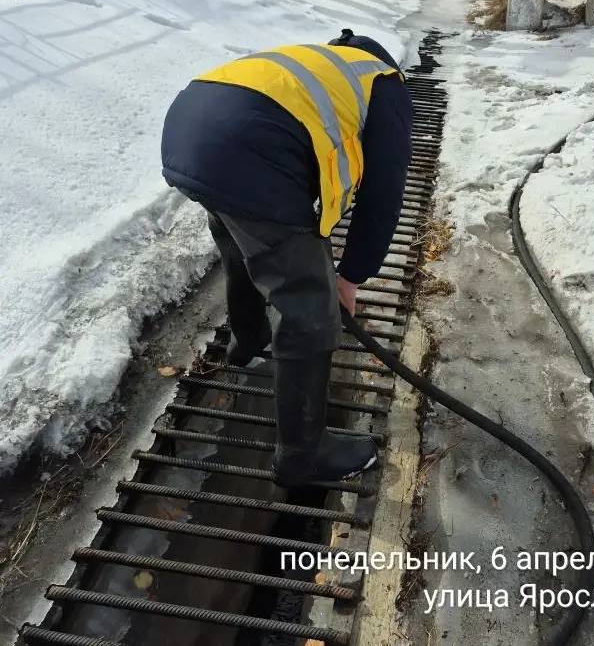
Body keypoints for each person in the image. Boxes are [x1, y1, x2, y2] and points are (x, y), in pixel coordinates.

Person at [161, 30, 412, 486]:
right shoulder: (385, 83)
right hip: (250, 148)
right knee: (307, 304)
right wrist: (348, 277)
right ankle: (303, 456)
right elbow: (383, 195)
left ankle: (249, 342)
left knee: (243, 245)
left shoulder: (319, 64)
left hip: (186, 129)